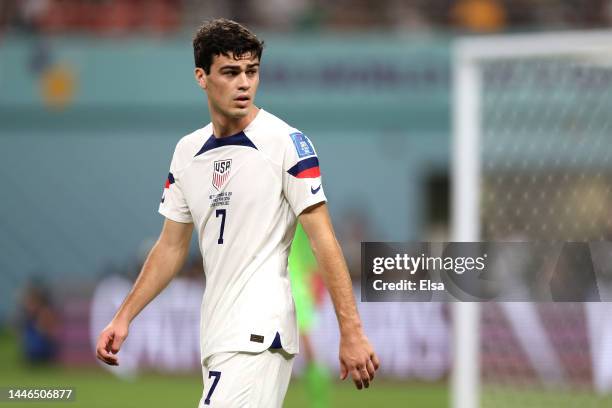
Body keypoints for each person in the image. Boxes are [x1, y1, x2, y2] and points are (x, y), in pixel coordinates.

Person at [95, 18, 379, 407]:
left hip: (260, 334)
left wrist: (352, 330)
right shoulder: (187, 152)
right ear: (202, 76)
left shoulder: (286, 143)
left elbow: (323, 239)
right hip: (217, 337)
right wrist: (124, 316)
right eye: (230, 72)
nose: (244, 82)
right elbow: (170, 247)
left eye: (252, 71)